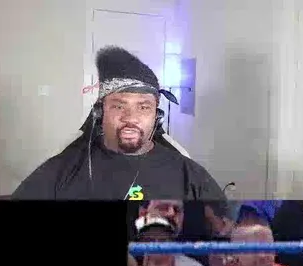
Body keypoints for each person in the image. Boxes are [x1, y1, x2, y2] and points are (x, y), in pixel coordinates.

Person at [12, 47, 224, 201]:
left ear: (156, 116)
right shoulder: (62, 170)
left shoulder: (189, 175)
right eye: (119, 106)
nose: (131, 118)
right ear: (99, 112)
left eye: (144, 107)